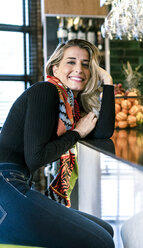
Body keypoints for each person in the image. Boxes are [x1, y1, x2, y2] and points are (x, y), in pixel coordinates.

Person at [0, 39, 115, 247]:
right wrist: (77, 132)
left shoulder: (70, 107)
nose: (79, 69)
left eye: (86, 64)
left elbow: (104, 132)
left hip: (13, 186)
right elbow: (36, 157)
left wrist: (107, 82)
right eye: (71, 62)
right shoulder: (45, 91)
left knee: (106, 231)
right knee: (102, 241)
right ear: (55, 67)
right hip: (5, 188)